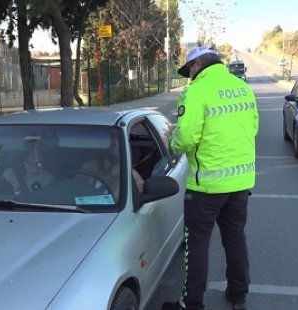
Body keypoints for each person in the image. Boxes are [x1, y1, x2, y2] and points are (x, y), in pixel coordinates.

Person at [163, 47, 259, 310]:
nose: (189, 76)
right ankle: (238, 293)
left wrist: (171, 140)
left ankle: (191, 303)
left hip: (205, 186)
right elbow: (253, 128)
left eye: (189, 69)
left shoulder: (196, 92)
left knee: (197, 245)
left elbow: (187, 138)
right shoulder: (242, 88)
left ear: (198, 64)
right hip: (240, 184)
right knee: (235, 237)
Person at [80, 131, 144, 200]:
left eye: (119, 140)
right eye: (112, 137)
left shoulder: (133, 177)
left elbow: (135, 205)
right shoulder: (87, 167)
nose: (116, 143)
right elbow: (77, 191)